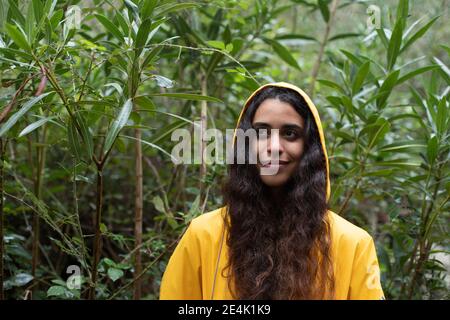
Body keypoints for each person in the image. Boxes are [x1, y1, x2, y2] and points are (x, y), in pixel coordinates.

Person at [159, 82, 385, 300]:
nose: (274, 147)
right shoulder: (203, 235)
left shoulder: (353, 244)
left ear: (310, 148)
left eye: (290, 134)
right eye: (261, 132)